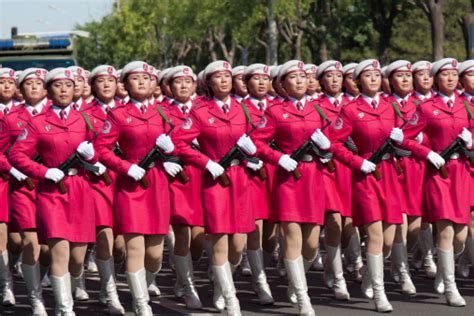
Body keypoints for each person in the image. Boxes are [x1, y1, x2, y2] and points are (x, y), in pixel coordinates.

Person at [9, 67, 100, 315]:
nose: (63, 90)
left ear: (75, 90)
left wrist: (94, 157)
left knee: (78, 258)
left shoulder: (86, 120)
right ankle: (64, 308)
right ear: (50, 90)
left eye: (68, 86)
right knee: (59, 251)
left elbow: (103, 149)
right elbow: (17, 154)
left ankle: (67, 294)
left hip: (80, 189)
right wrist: (43, 171)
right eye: (58, 86)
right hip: (52, 192)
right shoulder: (38, 122)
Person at [171, 60, 257, 316]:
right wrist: (206, 162)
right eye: (218, 77)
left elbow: (261, 136)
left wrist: (254, 152)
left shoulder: (244, 110)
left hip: (240, 179)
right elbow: (180, 143)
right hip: (215, 181)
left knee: (238, 245)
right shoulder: (201, 112)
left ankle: (221, 287)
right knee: (219, 241)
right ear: (208, 82)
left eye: (227, 77)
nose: (224, 81)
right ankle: (231, 299)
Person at [253, 59, 331, 316]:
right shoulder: (275, 112)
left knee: (311, 245)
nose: (299, 81)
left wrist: (327, 151)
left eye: (302, 76)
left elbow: (337, 142)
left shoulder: (319, 111)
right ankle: (302, 297)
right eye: (293, 77)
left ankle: (296, 280)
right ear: (282, 85)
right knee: (293, 238)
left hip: (314, 178)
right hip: (288, 178)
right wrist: (279, 158)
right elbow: (257, 143)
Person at [94, 61, 171, 315]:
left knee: (156, 254)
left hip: (158, 183)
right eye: (135, 79)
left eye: (147, 78)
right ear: (125, 85)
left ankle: (145, 285)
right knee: (135, 247)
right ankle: (140, 303)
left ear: (154, 84)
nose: (142, 82)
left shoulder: (163, 113)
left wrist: (172, 153)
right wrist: (125, 167)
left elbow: (184, 143)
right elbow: (102, 149)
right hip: (131, 185)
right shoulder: (118, 115)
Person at [330, 59, 404, 313]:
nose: (373, 79)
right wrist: (357, 162)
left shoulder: (391, 107)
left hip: (390, 174)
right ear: (358, 81)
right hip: (366, 176)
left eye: (376, 75)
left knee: (388, 238)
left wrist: (404, 140)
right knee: (374, 234)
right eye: (367, 75)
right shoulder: (351, 110)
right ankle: (379, 294)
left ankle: (369, 271)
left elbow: (405, 137)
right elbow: (335, 144)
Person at [400, 58, 471, 307]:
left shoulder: (467, 107)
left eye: (454, 74)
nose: (450, 78)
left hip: (461, 172)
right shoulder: (426, 108)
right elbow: (405, 139)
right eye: (445, 75)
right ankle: (451, 288)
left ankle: (445, 266)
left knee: (461, 236)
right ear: (436, 78)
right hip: (438, 173)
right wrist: (427, 153)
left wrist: (471, 143)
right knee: (446, 230)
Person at [0, 68, 50, 315]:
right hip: (22, 186)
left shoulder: (61, 115)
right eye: (29, 84)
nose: (34, 88)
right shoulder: (10, 118)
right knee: (27, 240)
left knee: (48, 246)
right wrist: (14, 170)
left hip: (53, 186)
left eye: (39, 83)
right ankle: (33, 297)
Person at [83, 65, 125, 314]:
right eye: (101, 81)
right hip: (98, 181)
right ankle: (110, 294)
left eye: (111, 80)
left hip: (126, 180)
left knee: (121, 245)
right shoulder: (84, 114)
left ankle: (109, 283)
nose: (107, 85)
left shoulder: (128, 111)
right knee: (104, 237)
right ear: (93, 86)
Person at [165, 66, 205, 310]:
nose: (183, 86)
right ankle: (188, 287)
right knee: (182, 232)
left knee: (199, 239)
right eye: (177, 82)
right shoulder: (162, 112)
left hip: (204, 175)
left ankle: (182, 273)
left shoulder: (205, 110)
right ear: (169, 87)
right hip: (178, 177)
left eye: (187, 82)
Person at [383, 60, 420, 296]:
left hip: (418, 167)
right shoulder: (385, 105)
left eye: (408, 75)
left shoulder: (422, 104)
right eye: (400, 75)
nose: (405, 79)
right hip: (394, 166)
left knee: (416, 226)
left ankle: (412, 259)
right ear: (390, 80)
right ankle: (402, 270)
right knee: (399, 223)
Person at [316, 60, 352, 301]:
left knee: (349, 227)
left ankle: (331, 259)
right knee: (334, 222)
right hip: (327, 169)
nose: (335, 80)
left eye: (338, 75)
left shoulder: (354, 105)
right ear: (322, 81)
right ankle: (338, 277)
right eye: (329, 76)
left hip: (352, 168)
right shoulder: (314, 107)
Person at [241, 63, 275, 305]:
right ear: (246, 83)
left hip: (281, 172)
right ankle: (259, 279)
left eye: (266, 78)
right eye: (256, 79)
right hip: (253, 173)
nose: (262, 83)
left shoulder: (280, 107)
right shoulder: (240, 109)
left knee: (273, 234)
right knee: (256, 228)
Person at [409, 60, 437, 278]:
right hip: (413, 162)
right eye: (420, 74)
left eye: (429, 74)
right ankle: (425, 255)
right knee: (419, 213)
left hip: (438, 162)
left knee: (431, 213)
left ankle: (423, 253)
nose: (426, 78)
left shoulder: (441, 102)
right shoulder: (408, 103)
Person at [0, 67, 18, 307]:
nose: (5, 86)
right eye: (0, 82)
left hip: (30, 180)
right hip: (2, 178)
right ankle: (7, 286)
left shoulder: (27, 113)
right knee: (2, 233)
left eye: (9, 82)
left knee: (20, 239)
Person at [457, 60, 474, 278]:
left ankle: (464, 255)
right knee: (470, 217)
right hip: (465, 165)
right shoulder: (458, 104)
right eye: (471, 75)